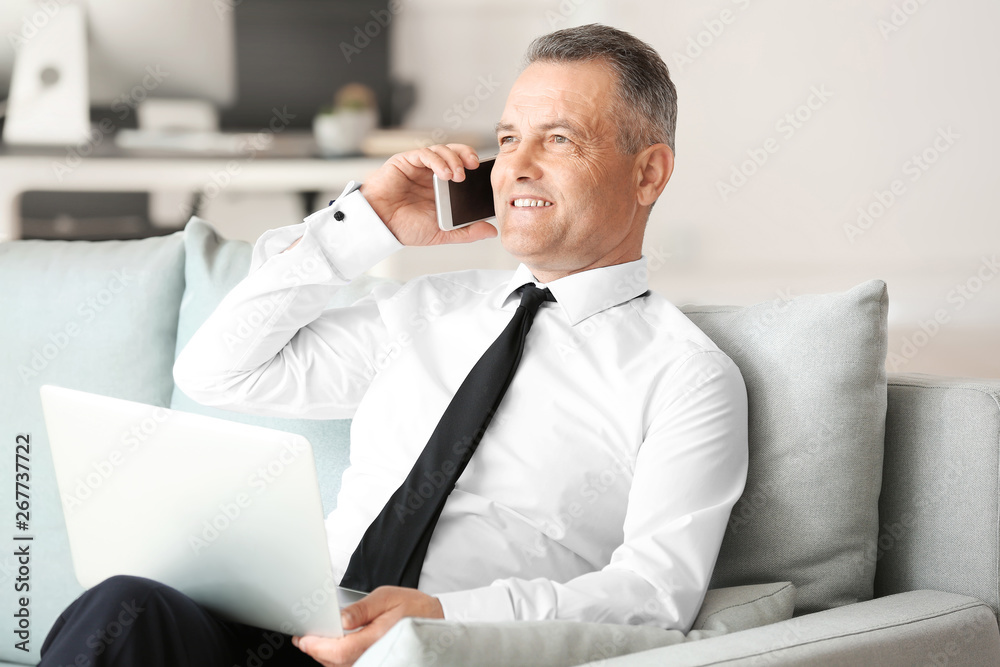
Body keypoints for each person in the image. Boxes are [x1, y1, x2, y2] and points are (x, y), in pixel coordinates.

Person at [39, 23, 748, 667]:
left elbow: (655, 593)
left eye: (559, 139)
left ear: (648, 172)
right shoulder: (426, 309)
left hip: (443, 650)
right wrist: (366, 223)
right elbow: (218, 371)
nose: (516, 166)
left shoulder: (684, 376)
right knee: (123, 607)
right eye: (507, 139)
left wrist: (440, 616)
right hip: (298, 630)